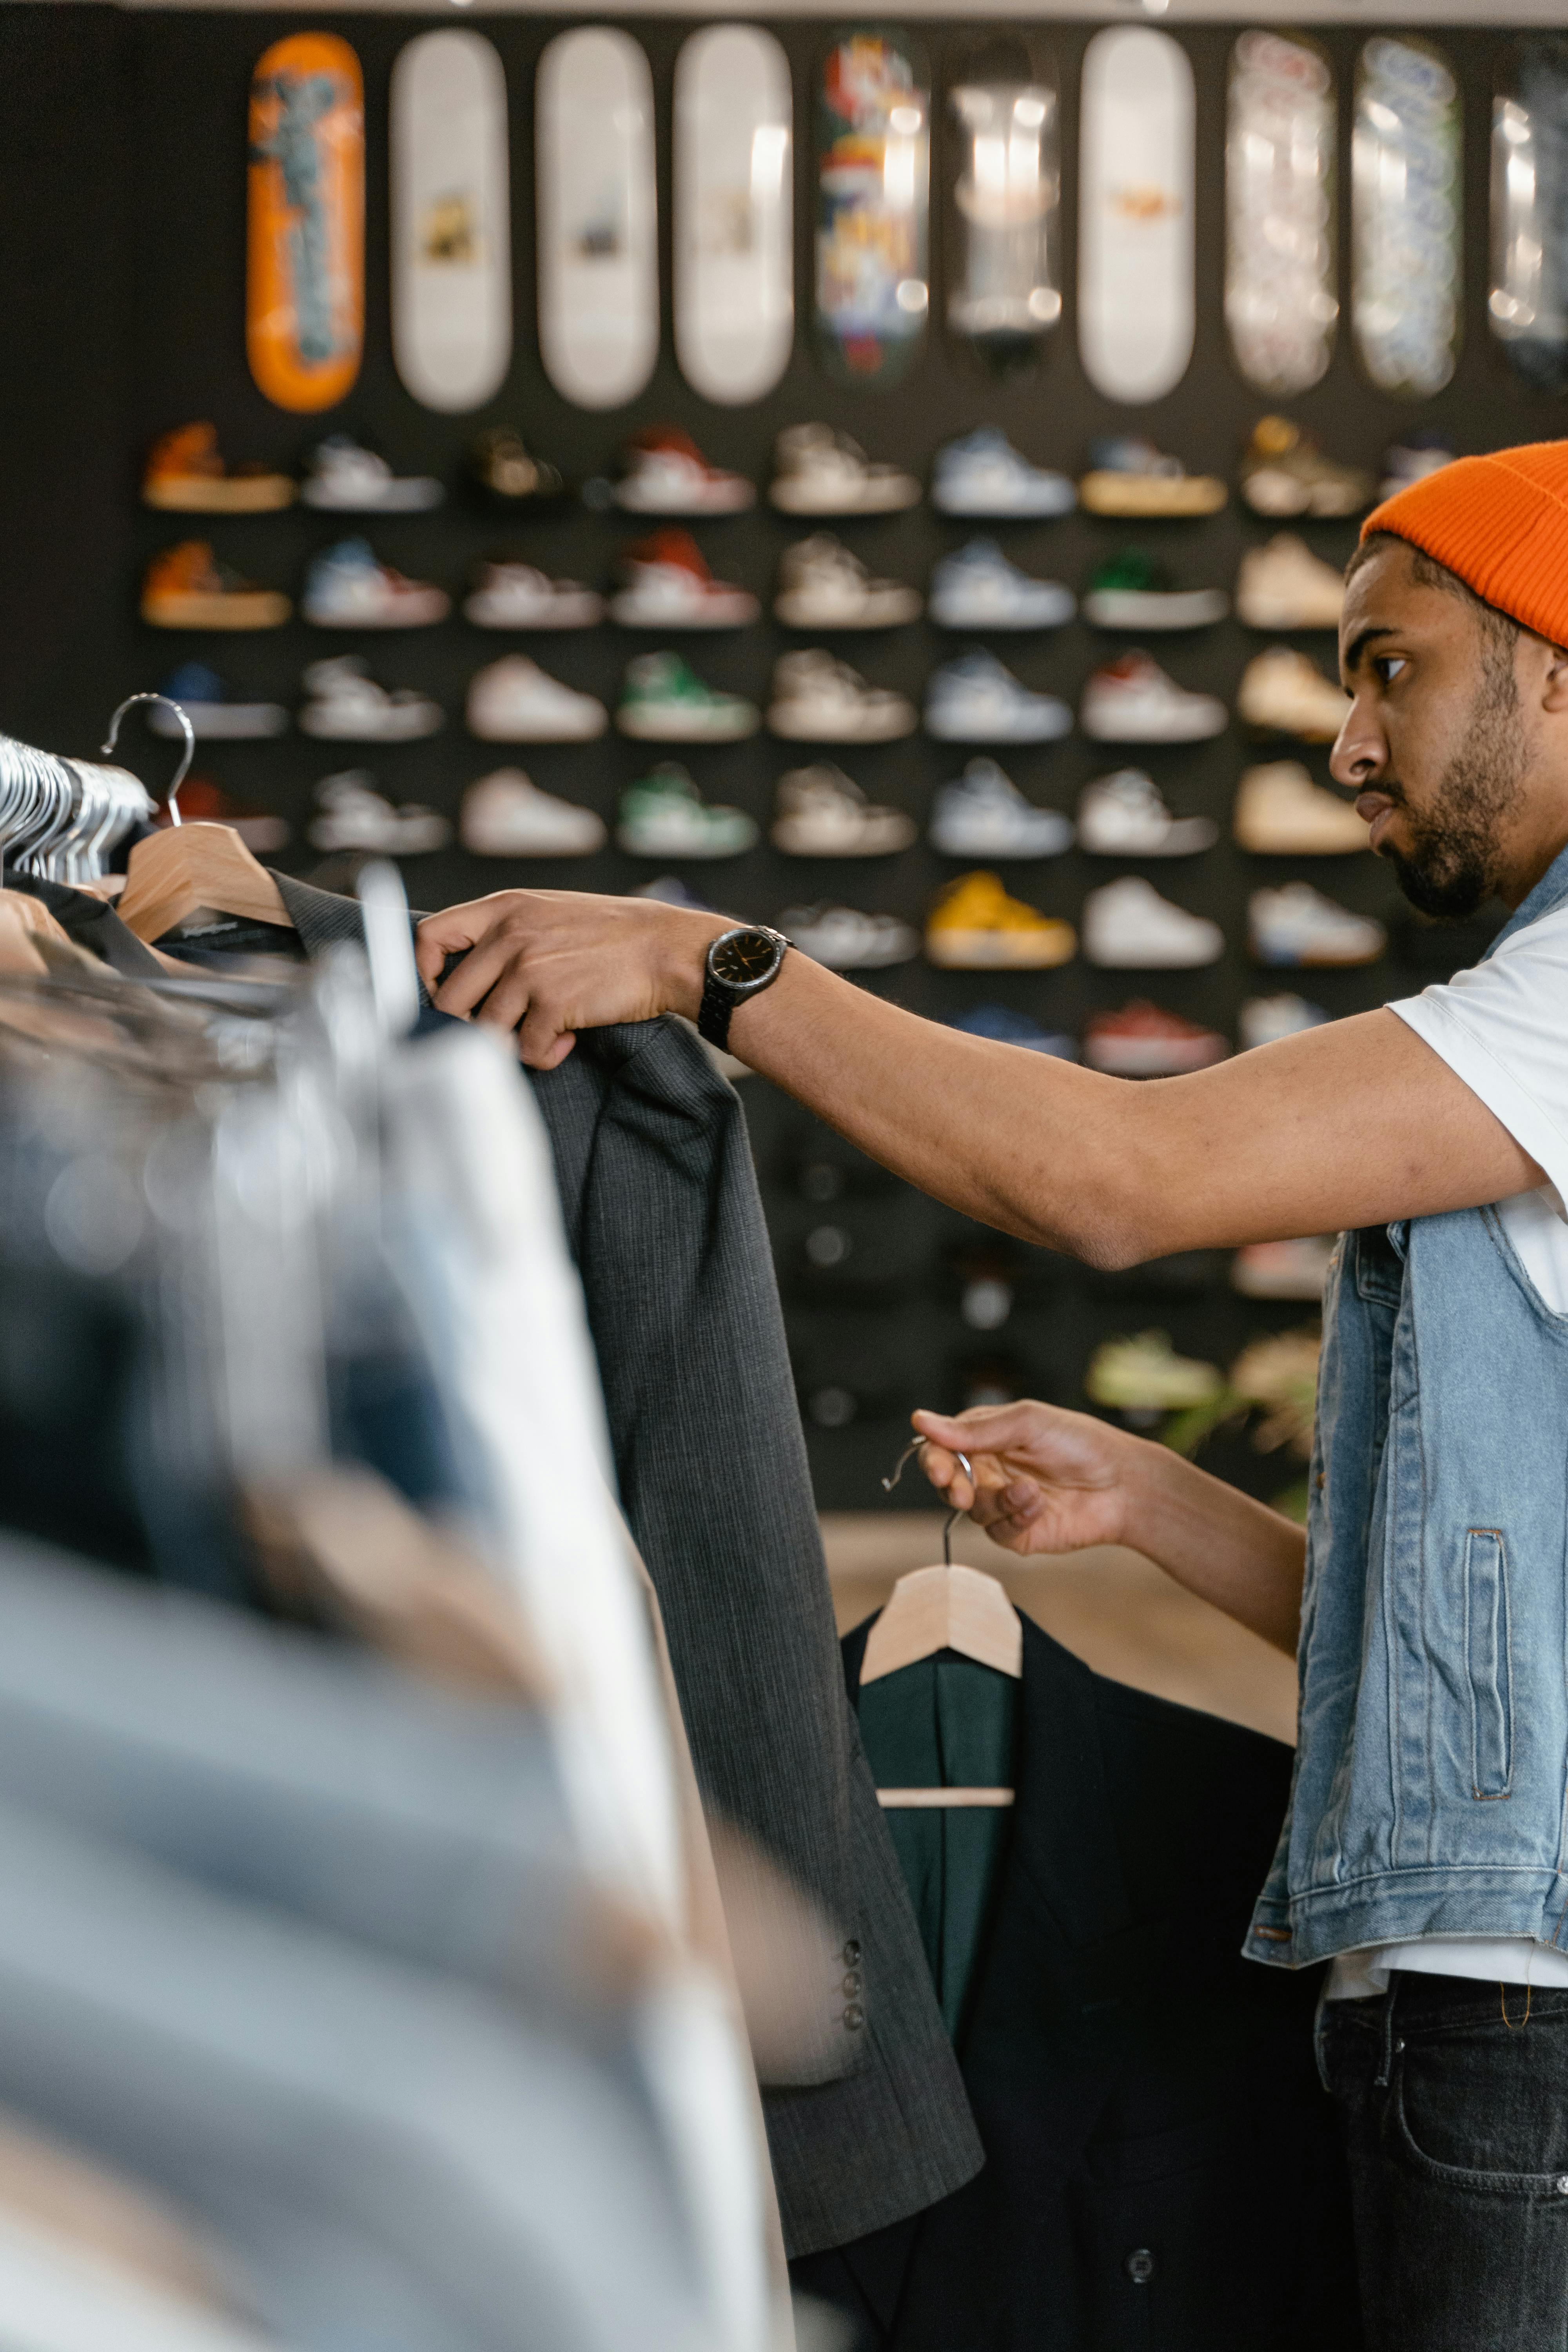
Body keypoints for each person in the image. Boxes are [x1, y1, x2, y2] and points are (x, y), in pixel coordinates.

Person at [416, 441, 1568, 2348]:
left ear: (1552, 667)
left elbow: (1112, 1178)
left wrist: (709, 964)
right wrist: (1149, 1501)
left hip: (1518, 2025)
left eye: (1392, 667)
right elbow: (1490, 1665)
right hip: (1476, 2004)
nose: (1348, 742)